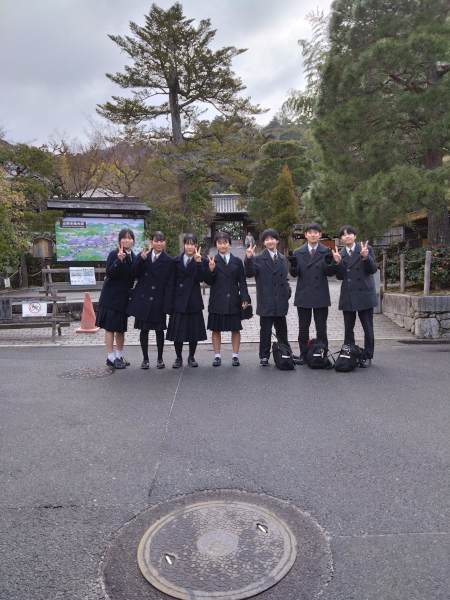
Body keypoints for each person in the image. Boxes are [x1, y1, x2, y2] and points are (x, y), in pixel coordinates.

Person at [288, 222, 336, 364]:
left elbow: (330, 273)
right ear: (305, 235)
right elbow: (294, 274)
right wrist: (293, 265)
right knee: (303, 328)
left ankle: (322, 354)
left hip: (321, 295)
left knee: (321, 328)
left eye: (316, 232)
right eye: (310, 232)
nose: (313, 235)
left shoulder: (327, 251)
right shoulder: (298, 252)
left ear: (320, 234)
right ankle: (303, 354)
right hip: (304, 294)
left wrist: (329, 263)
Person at [126, 231, 175, 370]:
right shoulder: (143, 256)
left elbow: (170, 285)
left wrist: (167, 304)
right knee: (144, 330)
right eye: (156, 241)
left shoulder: (169, 261)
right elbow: (133, 273)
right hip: (143, 300)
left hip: (159, 300)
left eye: (161, 241)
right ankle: (145, 359)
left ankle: (160, 359)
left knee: (159, 331)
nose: (159, 243)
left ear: (165, 242)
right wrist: (140, 260)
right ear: (151, 242)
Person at [331, 225, 378, 368]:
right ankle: (349, 354)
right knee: (348, 328)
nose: (347, 236)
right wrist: (338, 263)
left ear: (355, 236)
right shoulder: (340, 253)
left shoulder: (366, 249)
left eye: (350, 233)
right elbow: (340, 277)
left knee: (368, 328)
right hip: (348, 294)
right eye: (344, 235)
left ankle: (368, 356)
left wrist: (365, 257)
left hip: (365, 293)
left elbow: (373, 269)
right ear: (341, 239)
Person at [244, 228, 291, 366]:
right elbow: (249, 273)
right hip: (266, 300)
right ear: (263, 242)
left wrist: (287, 292)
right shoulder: (258, 258)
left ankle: (285, 352)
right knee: (265, 330)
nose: (270, 241)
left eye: (272, 239)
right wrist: (248, 259)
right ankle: (264, 356)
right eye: (266, 239)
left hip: (280, 300)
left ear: (277, 240)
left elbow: (285, 278)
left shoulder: (282, 258)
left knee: (282, 329)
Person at [204, 231, 250, 367]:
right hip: (217, 300)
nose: (223, 245)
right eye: (220, 243)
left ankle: (235, 356)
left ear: (229, 243)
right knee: (215, 329)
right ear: (216, 245)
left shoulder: (237, 261)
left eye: (225, 242)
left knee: (235, 329)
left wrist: (245, 297)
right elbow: (208, 281)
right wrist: (211, 270)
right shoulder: (211, 260)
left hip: (233, 299)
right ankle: (217, 356)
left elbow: (242, 281)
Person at [96, 228, 136, 369]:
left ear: (133, 240)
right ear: (119, 240)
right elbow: (110, 273)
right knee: (110, 328)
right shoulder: (114, 254)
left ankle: (119, 355)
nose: (127, 240)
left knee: (120, 328)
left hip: (124, 298)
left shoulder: (133, 256)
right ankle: (110, 357)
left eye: (130, 238)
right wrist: (119, 260)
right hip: (111, 297)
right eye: (124, 238)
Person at [166, 234, 208, 368]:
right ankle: (178, 357)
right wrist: (169, 303)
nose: (190, 247)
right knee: (177, 332)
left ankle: (191, 357)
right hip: (178, 300)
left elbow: (201, 279)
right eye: (187, 244)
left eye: (192, 244)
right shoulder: (175, 260)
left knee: (193, 331)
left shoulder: (201, 260)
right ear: (183, 245)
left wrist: (198, 263)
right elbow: (171, 283)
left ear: (196, 245)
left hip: (193, 300)